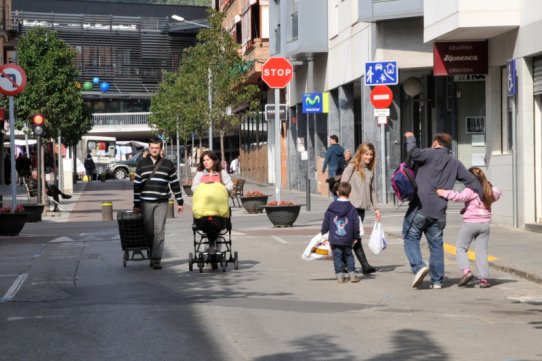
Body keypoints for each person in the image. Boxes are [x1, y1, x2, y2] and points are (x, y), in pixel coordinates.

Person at [403, 131, 482, 289]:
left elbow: (413, 152)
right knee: (436, 245)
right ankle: (437, 281)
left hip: (420, 207)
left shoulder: (429, 153)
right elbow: (472, 181)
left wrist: (410, 138)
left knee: (410, 237)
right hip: (439, 213)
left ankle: (419, 267)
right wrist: (481, 198)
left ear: (435, 142)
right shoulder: (455, 163)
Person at [437, 167, 501, 288]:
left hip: (471, 224)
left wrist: (443, 193)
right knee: (481, 252)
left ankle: (466, 271)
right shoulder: (489, 190)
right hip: (485, 225)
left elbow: (458, 197)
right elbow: (497, 193)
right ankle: (484, 279)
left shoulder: (471, 190)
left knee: (461, 248)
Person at [133, 136, 184, 270]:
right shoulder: (141, 164)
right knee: (149, 231)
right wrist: (136, 204)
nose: (154, 150)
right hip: (146, 202)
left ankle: (156, 259)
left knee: (159, 231)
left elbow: (174, 182)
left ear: (161, 148)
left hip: (162, 201)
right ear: (149, 148)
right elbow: (137, 185)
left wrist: (180, 200)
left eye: (157, 148)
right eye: (152, 148)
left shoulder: (168, 164)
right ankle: (152, 251)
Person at [340, 143, 380, 275]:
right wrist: (344, 202)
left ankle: (361, 265)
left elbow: (372, 190)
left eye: (371, 154)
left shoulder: (370, 169)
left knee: (354, 236)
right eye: (366, 154)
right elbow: (343, 185)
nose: (369, 157)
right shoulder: (352, 166)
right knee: (351, 236)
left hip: (361, 209)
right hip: (350, 207)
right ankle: (361, 265)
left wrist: (376, 208)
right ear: (361, 154)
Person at [191, 150, 234, 254]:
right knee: (205, 228)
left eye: (208, 160)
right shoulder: (200, 174)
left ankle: (216, 250)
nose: (205, 162)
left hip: (218, 208)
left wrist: (221, 189)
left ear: (214, 161)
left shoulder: (221, 173)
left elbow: (230, 185)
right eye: (203, 160)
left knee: (218, 228)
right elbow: (194, 188)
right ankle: (205, 251)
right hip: (204, 208)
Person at [321, 182, 361, 283]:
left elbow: (326, 220)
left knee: (337, 256)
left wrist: (323, 232)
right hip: (348, 238)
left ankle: (339, 276)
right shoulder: (352, 208)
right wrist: (356, 236)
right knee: (349, 255)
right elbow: (356, 223)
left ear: (338, 192)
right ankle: (352, 274)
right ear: (350, 193)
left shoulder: (332, 207)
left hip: (334, 238)